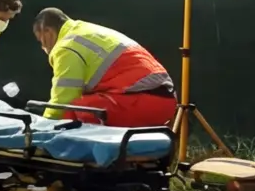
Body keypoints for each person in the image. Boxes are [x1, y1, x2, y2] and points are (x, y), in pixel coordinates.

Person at [31, 7, 179, 128]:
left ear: (47, 31)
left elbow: (63, 99)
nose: (43, 46)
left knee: (76, 110)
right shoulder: (86, 31)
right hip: (162, 99)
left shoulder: (66, 47)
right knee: (87, 104)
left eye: (40, 40)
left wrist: (42, 129)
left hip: (145, 101)